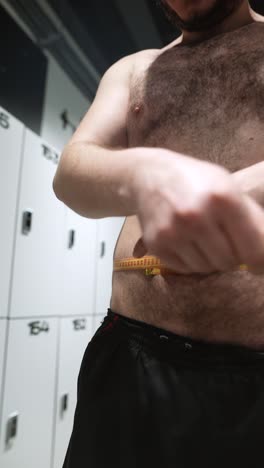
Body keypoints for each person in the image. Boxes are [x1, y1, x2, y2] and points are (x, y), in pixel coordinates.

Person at [53, 1, 264, 466]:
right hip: (129, 355)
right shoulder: (133, 69)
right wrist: (147, 174)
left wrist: (233, 190)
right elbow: (71, 173)